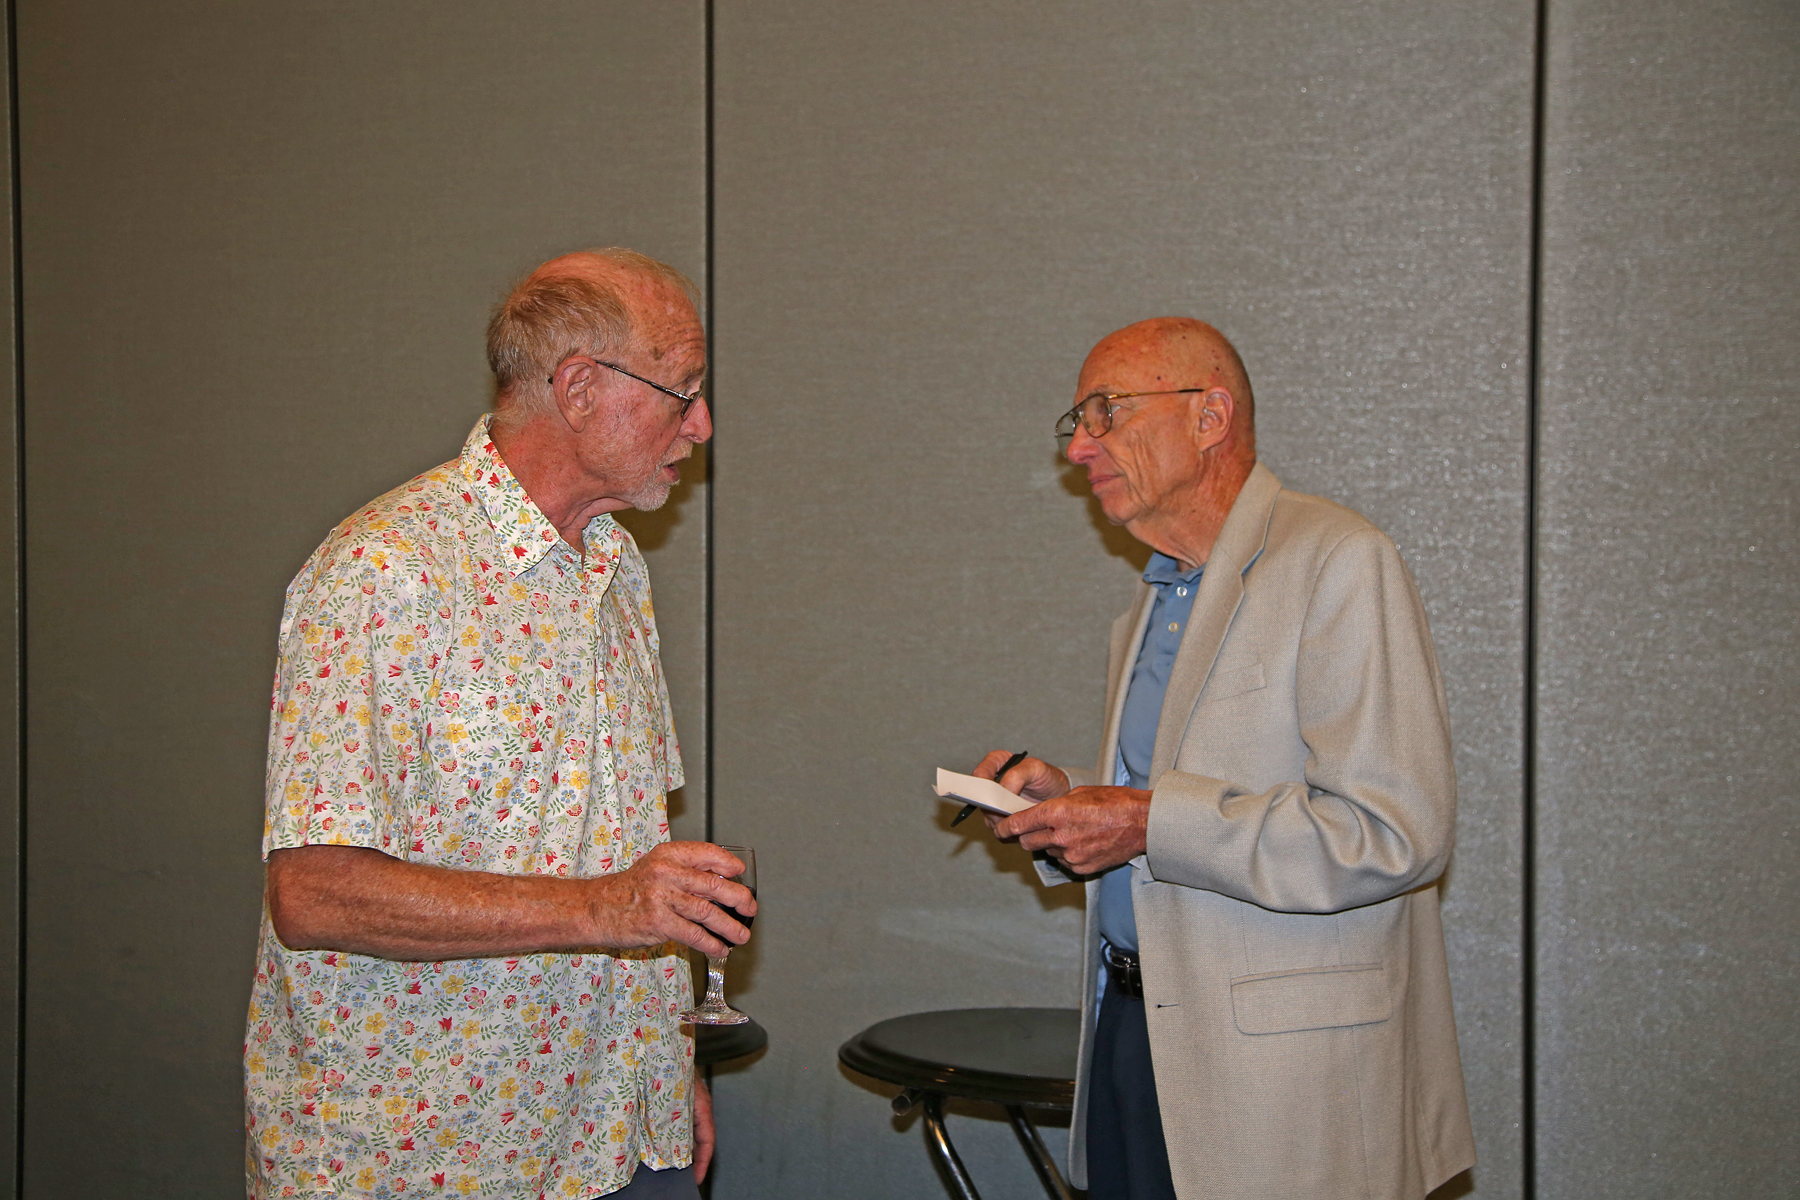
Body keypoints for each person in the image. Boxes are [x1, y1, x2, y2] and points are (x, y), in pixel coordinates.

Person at [244, 248, 753, 1200]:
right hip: (431, 1160)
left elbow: (626, 841)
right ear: (579, 388)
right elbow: (313, 894)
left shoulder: (615, 565)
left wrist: (665, 1066)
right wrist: (610, 906)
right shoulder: (382, 573)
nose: (704, 424)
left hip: (614, 1132)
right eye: (682, 393)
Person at [974, 317, 1475, 1200]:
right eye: (1076, 422)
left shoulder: (1338, 562)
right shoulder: (1154, 598)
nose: (1079, 446)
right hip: (1132, 1033)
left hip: (1281, 1087)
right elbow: (1168, 817)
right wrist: (1072, 807)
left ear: (1210, 417)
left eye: (1106, 412)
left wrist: (1142, 820)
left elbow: (1395, 832)